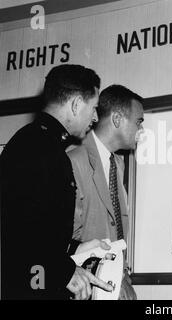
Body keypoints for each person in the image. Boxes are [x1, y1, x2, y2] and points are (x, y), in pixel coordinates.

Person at [0, 64, 114, 300]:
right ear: (75, 105)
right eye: (93, 108)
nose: (95, 117)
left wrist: (75, 248)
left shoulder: (34, 143)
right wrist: (63, 272)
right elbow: (17, 236)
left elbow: (39, 230)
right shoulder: (42, 151)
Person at [67, 84, 144, 300]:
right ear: (117, 119)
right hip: (86, 288)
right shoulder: (73, 161)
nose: (142, 130)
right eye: (139, 121)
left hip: (115, 284)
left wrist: (121, 276)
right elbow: (65, 240)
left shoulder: (117, 164)